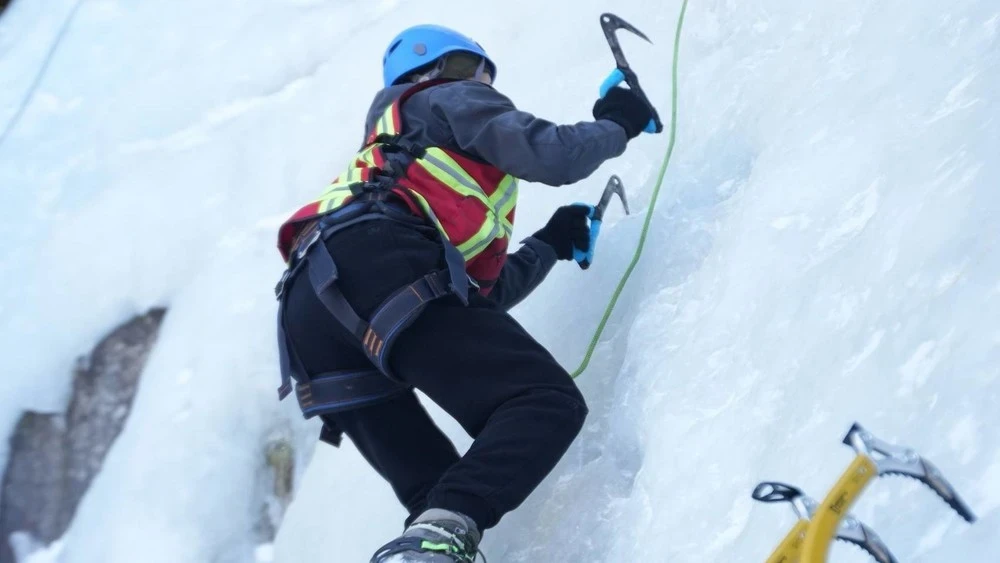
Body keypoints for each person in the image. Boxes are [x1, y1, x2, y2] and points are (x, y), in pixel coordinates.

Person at [272, 23, 658, 563]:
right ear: (436, 74)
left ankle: (423, 553)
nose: (480, 83)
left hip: (311, 320)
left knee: (439, 501)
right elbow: (553, 155)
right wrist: (619, 123)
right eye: (469, 70)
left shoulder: (390, 167)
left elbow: (469, 302)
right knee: (542, 401)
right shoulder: (443, 99)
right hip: (375, 262)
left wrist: (549, 244)